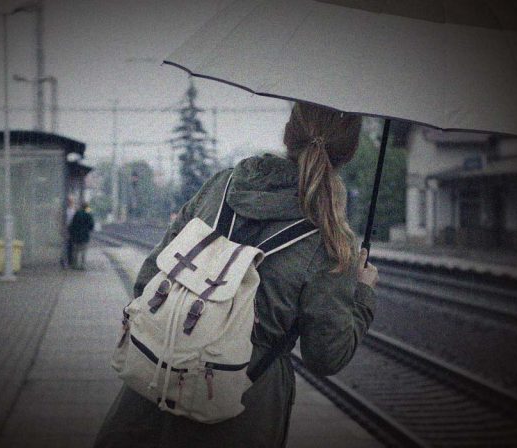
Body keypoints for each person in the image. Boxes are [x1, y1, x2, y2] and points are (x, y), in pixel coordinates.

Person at [94, 102, 379, 448]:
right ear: (348, 153)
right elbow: (325, 356)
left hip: (156, 379)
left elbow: (148, 281)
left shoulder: (222, 185)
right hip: (243, 405)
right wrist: (362, 295)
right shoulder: (332, 238)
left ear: (289, 134)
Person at [68, 201, 95, 270]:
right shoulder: (88, 214)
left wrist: (71, 233)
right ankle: (83, 265)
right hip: (85, 236)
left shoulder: (77, 213)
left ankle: (75, 265)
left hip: (76, 235)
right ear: (87, 207)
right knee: (83, 251)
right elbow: (91, 225)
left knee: (76, 251)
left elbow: (72, 224)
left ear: (81, 206)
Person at [61, 195, 77, 268]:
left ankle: (70, 260)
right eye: (69, 201)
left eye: (71, 201)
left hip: (73, 229)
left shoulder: (75, 209)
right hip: (66, 228)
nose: (70, 202)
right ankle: (64, 261)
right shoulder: (64, 210)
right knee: (65, 245)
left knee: (71, 245)